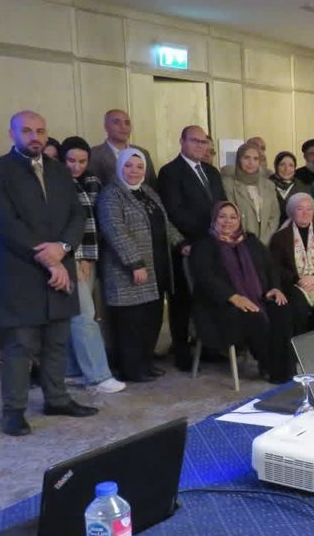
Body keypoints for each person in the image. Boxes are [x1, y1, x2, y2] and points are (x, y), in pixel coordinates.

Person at [0, 110, 98, 435]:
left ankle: (57, 399)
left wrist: (64, 248)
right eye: (27, 131)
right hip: (19, 270)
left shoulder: (59, 171)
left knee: (57, 340)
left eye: (41, 131)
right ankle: (13, 411)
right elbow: (4, 222)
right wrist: (50, 258)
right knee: (21, 344)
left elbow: (77, 216)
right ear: (12, 134)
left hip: (59, 266)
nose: (35, 137)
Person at [98, 147, 183, 383]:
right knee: (131, 323)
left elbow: (164, 223)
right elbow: (115, 231)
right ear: (119, 167)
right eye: (128, 166)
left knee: (151, 319)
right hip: (128, 272)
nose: (134, 171)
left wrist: (181, 243)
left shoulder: (148, 192)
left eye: (139, 167)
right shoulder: (111, 195)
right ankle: (131, 369)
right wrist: (134, 262)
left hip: (156, 268)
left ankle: (146, 363)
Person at [189, 201, 293, 384]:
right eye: (222, 217)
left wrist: (275, 287)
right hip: (219, 306)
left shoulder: (250, 241)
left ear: (239, 220)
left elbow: (270, 266)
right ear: (214, 219)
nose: (227, 221)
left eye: (233, 217)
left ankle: (286, 367)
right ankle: (270, 366)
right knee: (253, 316)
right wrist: (233, 297)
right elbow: (206, 278)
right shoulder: (204, 245)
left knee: (281, 309)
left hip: (257, 296)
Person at [58, 138, 124, 393]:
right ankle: (98, 376)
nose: (76, 166)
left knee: (78, 314)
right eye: (71, 160)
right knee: (84, 315)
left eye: (82, 161)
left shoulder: (93, 181)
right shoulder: (56, 184)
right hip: (67, 257)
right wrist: (74, 259)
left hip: (90, 256)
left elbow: (94, 222)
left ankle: (73, 371)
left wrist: (88, 258)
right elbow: (61, 225)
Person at [157, 125, 226, 370]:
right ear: (182, 142)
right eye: (194, 141)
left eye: (203, 142)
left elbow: (221, 205)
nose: (200, 145)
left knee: (208, 294)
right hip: (186, 245)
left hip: (214, 244)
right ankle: (181, 350)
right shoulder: (169, 172)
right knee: (182, 300)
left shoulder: (212, 172)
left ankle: (207, 345)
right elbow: (173, 211)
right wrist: (205, 232)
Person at [269, 193, 314, 338]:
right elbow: (276, 267)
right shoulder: (280, 237)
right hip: (293, 283)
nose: (305, 213)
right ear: (292, 211)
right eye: (300, 209)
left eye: (309, 209)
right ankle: (301, 347)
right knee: (298, 308)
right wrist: (298, 280)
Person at [224, 140, 280, 243]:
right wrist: (247, 243)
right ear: (239, 160)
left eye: (255, 159)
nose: (251, 163)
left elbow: (274, 216)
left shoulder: (268, 185)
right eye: (246, 158)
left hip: (265, 244)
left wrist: (262, 242)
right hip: (239, 242)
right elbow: (230, 217)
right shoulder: (228, 184)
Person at [88, 109, 157, 188]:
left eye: (127, 123)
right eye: (116, 122)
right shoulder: (94, 154)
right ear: (106, 127)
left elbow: (152, 186)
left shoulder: (142, 153)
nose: (123, 127)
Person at [269, 151, 311, 215]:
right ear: (276, 166)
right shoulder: (266, 186)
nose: (287, 169)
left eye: (291, 165)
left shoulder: (303, 189)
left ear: (294, 168)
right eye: (282, 165)